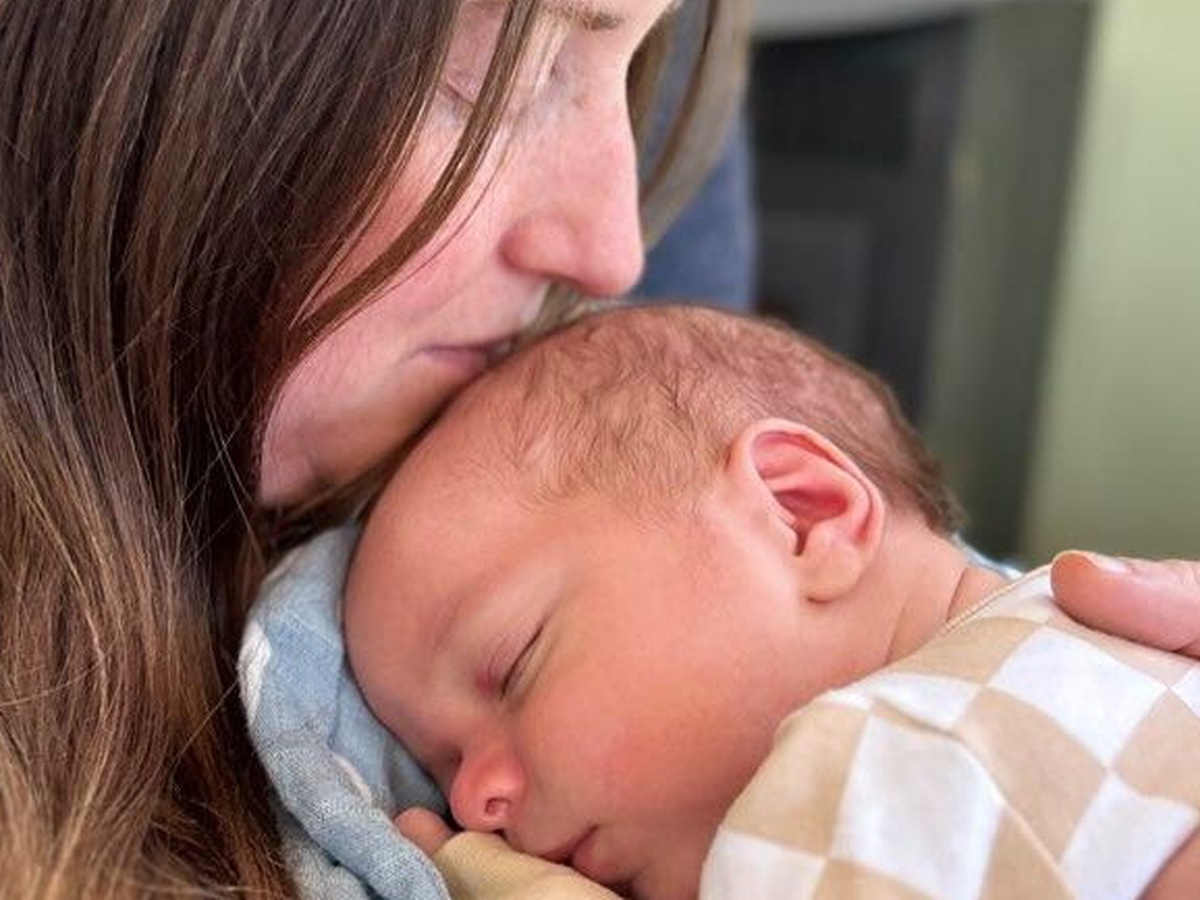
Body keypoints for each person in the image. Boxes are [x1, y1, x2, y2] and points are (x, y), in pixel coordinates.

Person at [2, 1, 1198, 898]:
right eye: (493, 80)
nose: (616, 251)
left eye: (519, 664)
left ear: (805, 512)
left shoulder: (904, 755)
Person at [343, 304, 1200, 900]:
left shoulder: (876, 763)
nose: (472, 805)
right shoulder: (1115, 641)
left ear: (802, 514)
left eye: (513, 667)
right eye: (442, 764)